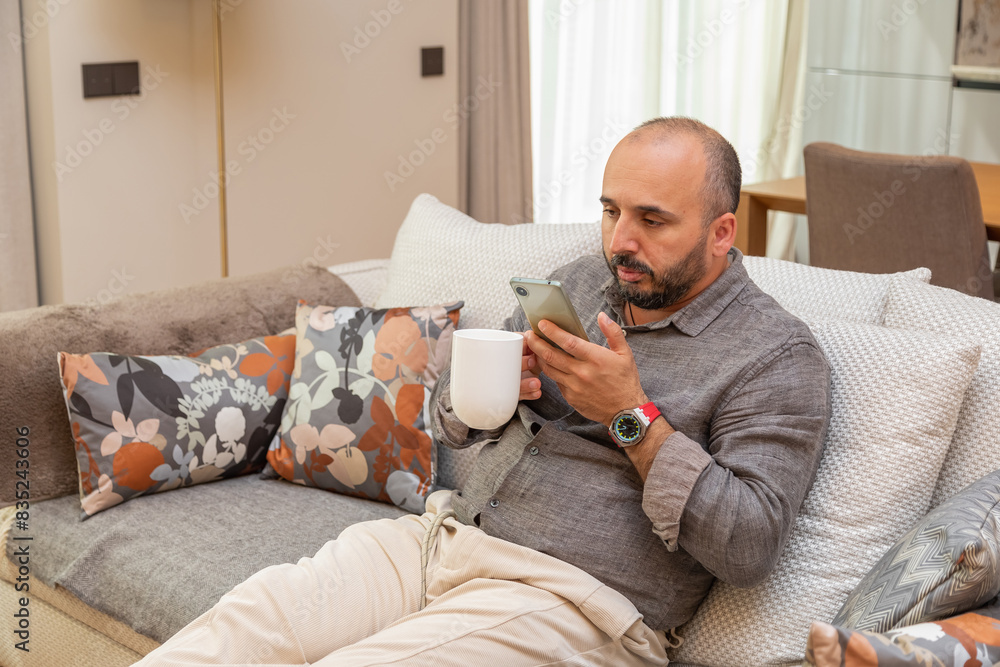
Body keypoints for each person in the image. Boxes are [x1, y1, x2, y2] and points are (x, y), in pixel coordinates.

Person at [134, 117, 831, 666]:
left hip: (574, 603)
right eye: (610, 210)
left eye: (652, 220)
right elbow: (449, 420)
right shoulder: (585, 281)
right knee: (253, 618)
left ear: (720, 232)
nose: (620, 240)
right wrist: (484, 393)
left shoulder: (776, 356)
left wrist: (630, 415)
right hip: (442, 538)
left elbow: (748, 545)